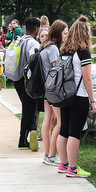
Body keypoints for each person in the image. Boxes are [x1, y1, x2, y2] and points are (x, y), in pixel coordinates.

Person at [53, 16, 96, 177]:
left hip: (64, 96)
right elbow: (87, 79)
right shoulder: (83, 52)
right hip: (79, 97)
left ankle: (63, 165)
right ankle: (73, 168)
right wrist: (92, 101)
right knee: (74, 133)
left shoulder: (64, 50)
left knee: (63, 130)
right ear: (85, 33)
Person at [10, 17, 42, 150]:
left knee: (29, 108)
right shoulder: (33, 43)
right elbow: (32, 59)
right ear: (36, 29)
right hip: (28, 80)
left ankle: (31, 130)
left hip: (17, 79)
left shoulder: (19, 40)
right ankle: (22, 140)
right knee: (28, 111)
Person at [40, 20, 68, 165]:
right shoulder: (53, 49)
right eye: (64, 32)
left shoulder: (45, 46)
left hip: (46, 90)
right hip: (54, 90)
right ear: (58, 33)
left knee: (48, 121)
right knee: (60, 122)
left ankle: (47, 154)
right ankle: (52, 155)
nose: (66, 35)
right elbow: (56, 72)